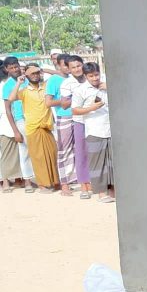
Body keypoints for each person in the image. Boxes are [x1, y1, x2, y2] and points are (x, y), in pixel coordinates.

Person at [8, 63, 59, 192]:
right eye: (32, 74)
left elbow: (60, 75)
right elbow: (11, 98)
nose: (35, 76)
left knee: (52, 154)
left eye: (37, 73)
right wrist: (19, 82)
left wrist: (44, 70)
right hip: (33, 128)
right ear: (27, 76)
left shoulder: (46, 87)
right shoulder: (24, 91)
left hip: (47, 127)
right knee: (38, 157)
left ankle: (54, 181)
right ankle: (42, 184)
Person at [71, 63, 114, 202]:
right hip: (95, 130)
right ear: (85, 76)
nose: (95, 78)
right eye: (91, 76)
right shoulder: (81, 90)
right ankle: (101, 193)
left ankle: (113, 191)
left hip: (111, 129)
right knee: (98, 164)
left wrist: (111, 88)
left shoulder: (107, 85)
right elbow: (75, 110)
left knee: (113, 162)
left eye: (96, 75)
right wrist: (91, 108)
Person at [44, 53, 78, 197]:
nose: (69, 68)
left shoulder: (74, 79)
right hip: (64, 117)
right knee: (64, 150)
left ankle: (78, 180)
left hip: (78, 116)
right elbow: (48, 102)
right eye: (65, 65)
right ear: (59, 65)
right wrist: (66, 101)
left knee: (78, 149)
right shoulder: (53, 80)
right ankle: (64, 184)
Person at [59, 55, 92, 198]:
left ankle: (97, 182)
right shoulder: (67, 83)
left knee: (96, 151)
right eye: (73, 67)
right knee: (81, 152)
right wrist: (79, 95)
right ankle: (84, 184)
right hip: (79, 120)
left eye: (79, 66)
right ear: (69, 69)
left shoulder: (91, 77)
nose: (77, 69)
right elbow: (64, 104)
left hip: (95, 119)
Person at [2, 56, 34, 191]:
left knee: (37, 150)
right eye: (11, 68)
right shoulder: (7, 85)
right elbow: (8, 110)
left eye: (16, 66)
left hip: (34, 117)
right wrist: (15, 131)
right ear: (6, 69)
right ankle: (27, 181)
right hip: (21, 120)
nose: (15, 69)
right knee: (24, 151)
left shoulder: (28, 79)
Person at [0, 60, 23, 192]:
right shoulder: (5, 85)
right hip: (5, 121)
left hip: (15, 119)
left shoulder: (13, 82)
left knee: (17, 152)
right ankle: (6, 181)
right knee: (6, 154)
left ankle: (19, 179)